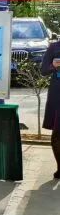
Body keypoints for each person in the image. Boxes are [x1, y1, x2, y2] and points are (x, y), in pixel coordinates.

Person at [40, 41, 60, 179]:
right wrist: (53, 66)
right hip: (57, 94)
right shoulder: (54, 47)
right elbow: (43, 71)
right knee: (57, 133)